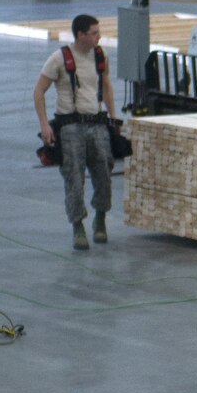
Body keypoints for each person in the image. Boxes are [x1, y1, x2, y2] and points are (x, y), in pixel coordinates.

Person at [33, 13, 117, 251]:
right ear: (81, 35)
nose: (98, 37)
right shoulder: (59, 59)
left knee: (104, 172)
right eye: (94, 33)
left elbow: (107, 86)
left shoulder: (101, 55)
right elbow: (39, 91)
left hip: (98, 124)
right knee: (74, 178)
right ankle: (78, 225)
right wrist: (44, 125)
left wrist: (114, 117)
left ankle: (100, 217)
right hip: (70, 127)